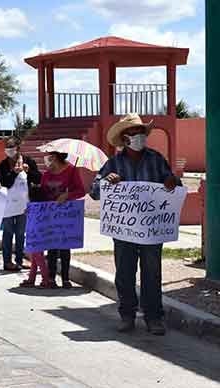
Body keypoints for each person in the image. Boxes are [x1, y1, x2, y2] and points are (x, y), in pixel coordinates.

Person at [90, 113, 181, 336]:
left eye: (141, 132)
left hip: (151, 229)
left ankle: (154, 318)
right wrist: (107, 181)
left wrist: (172, 182)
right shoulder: (113, 163)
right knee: (125, 273)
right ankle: (127, 315)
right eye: (133, 133)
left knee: (152, 272)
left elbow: (173, 185)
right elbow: (94, 191)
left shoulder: (156, 159)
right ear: (124, 138)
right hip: (124, 230)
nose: (139, 136)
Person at [41, 150, 85, 289]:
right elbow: (41, 191)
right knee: (52, 247)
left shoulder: (72, 170)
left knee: (65, 247)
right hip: (50, 214)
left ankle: (65, 278)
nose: (47, 158)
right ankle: (51, 278)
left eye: (49, 156)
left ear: (55, 157)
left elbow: (81, 191)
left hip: (66, 214)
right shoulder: (47, 173)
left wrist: (67, 195)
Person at [0, 137, 41, 271]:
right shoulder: (3, 165)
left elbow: (38, 178)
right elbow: (5, 183)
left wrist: (29, 171)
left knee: (21, 233)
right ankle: (7, 261)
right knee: (8, 233)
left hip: (24, 205)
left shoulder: (28, 161)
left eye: (11, 147)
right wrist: (14, 173)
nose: (9, 150)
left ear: (17, 148)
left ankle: (20, 260)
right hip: (8, 206)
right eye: (7, 148)